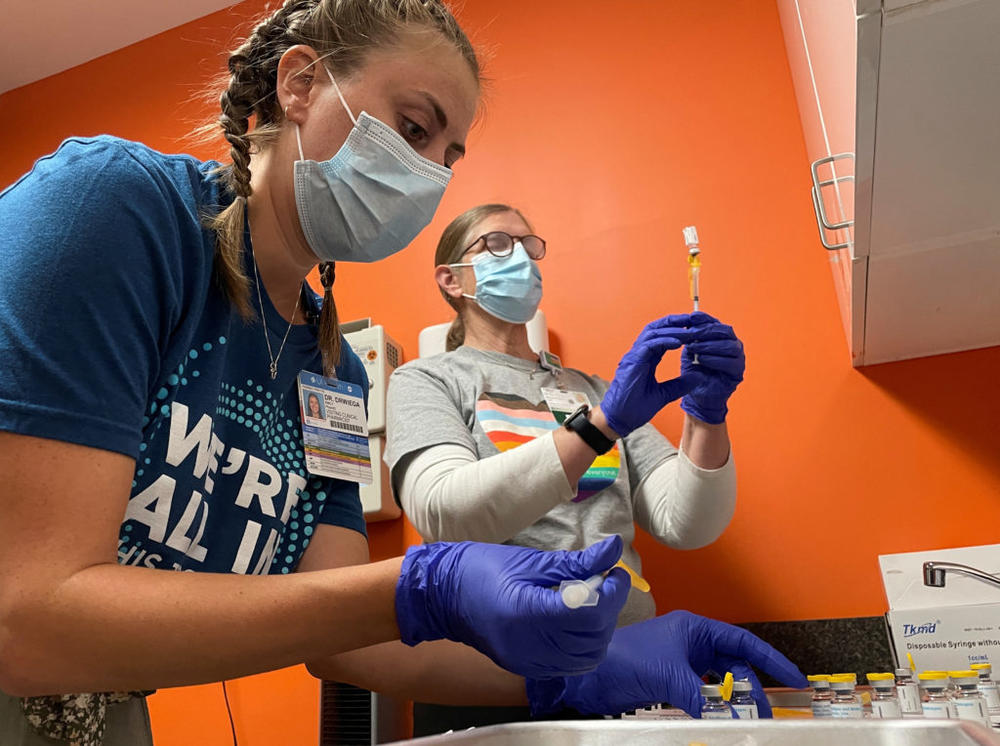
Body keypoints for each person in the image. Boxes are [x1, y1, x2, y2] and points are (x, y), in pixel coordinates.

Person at [0, 2, 803, 744]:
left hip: (99, 704)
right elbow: (25, 615)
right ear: (301, 83)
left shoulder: (335, 374)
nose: (428, 174)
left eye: (447, 154)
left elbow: (353, 644)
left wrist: (576, 673)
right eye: (414, 127)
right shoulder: (118, 213)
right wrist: (425, 584)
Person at [384, 203, 747, 733]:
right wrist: (600, 426)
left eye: (531, 248)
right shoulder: (428, 380)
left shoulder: (593, 390)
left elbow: (686, 523)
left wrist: (706, 415)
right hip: (491, 677)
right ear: (452, 279)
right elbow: (447, 513)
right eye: (498, 245)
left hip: (622, 664)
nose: (524, 260)